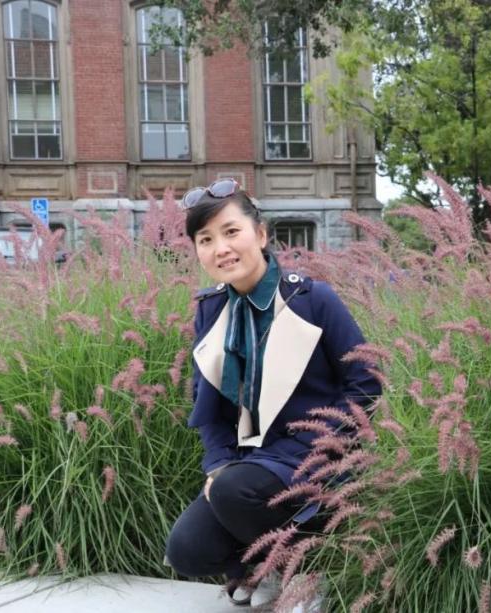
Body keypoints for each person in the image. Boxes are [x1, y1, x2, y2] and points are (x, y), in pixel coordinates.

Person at [164, 179, 382, 607]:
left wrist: (327, 443)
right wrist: (218, 464)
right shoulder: (211, 309)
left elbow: (366, 381)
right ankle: (263, 567)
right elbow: (207, 403)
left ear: (260, 235)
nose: (221, 248)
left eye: (231, 232)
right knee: (187, 550)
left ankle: (310, 572)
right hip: (249, 463)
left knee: (233, 491)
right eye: (205, 240)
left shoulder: (311, 299)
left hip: (312, 452)